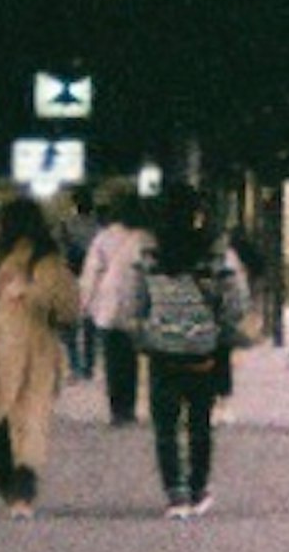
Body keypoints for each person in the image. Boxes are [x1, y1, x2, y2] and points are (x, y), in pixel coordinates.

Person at [0, 196, 82, 508]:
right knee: (31, 418)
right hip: (37, 348)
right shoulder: (48, 260)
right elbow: (68, 308)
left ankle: (9, 482)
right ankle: (23, 487)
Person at [139, 196, 250, 513]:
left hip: (163, 350)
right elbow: (237, 303)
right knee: (200, 423)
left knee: (165, 426)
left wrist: (152, 324)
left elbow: (136, 301)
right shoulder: (217, 257)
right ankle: (198, 489)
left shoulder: (150, 257)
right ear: (198, 217)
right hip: (204, 350)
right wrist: (216, 324)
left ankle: (175, 493)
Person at [78, 193, 151, 422]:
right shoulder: (146, 238)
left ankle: (116, 407)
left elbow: (92, 272)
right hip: (135, 299)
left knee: (112, 357)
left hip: (107, 303)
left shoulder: (104, 238)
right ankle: (128, 405)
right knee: (131, 358)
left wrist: (85, 303)